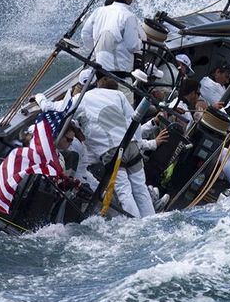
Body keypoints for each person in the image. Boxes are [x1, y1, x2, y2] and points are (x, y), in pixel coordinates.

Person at [72, 76, 168, 218]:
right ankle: (147, 217)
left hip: (110, 158)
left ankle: (138, 220)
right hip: (100, 167)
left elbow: (129, 131)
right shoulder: (114, 107)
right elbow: (132, 129)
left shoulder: (87, 114)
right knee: (136, 189)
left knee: (125, 191)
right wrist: (151, 143)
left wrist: (152, 128)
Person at [81, 0, 145, 103]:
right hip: (120, 77)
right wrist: (141, 42)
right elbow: (132, 46)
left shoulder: (98, 11)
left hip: (100, 73)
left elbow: (85, 34)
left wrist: (97, 52)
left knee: (103, 104)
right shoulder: (128, 16)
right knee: (125, 113)